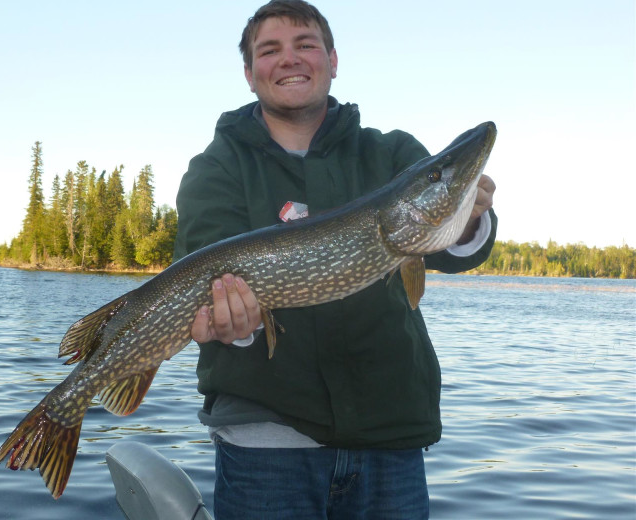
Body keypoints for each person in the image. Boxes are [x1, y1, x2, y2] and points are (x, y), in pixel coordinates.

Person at [172, 1, 497, 519]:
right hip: (266, 449)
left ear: (333, 60)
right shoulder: (217, 169)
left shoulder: (390, 154)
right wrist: (234, 322)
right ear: (250, 74)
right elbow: (202, 277)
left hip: (388, 439)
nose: (289, 59)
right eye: (269, 50)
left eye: (305, 45)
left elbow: (458, 254)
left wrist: (469, 213)